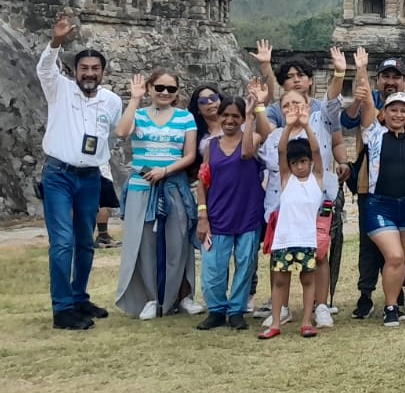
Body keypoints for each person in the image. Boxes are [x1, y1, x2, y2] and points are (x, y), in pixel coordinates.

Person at [37, 12, 125, 330]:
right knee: (62, 241)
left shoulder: (111, 101)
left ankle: (79, 297)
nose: (89, 74)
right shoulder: (59, 89)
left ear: (102, 72)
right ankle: (62, 309)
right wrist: (57, 41)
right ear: (74, 71)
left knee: (85, 242)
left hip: (90, 177)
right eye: (84, 69)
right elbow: (45, 68)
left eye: (94, 69)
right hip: (59, 174)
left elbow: (116, 132)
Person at [252, 41, 350, 321]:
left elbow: (333, 103)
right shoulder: (275, 129)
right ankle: (279, 307)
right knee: (279, 251)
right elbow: (271, 145)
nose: (293, 107)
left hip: (318, 197)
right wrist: (260, 99)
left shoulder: (320, 118)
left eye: (298, 103)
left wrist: (341, 73)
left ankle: (320, 305)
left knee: (319, 249)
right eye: (287, 104)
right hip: (281, 198)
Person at [338, 54, 405, 318]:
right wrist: (360, 71)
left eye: (396, 77)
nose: (391, 82)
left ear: (404, 81)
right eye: (386, 77)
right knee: (371, 249)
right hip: (373, 191)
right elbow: (350, 119)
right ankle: (366, 295)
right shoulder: (372, 116)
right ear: (378, 80)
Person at [114, 68, 201, 319]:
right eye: (159, 87)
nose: (164, 93)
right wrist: (134, 99)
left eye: (170, 89)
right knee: (144, 246)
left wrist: (165, 170)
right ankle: (151, 298)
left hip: (172, 186)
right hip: (142, 188)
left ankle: (181, 296)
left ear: (177, 92)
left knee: (178, 244)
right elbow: (121, 132)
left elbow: (190, 155)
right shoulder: (139, 115)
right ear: (150, 88)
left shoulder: (185, 118)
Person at [195, 88, 266, 331]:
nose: (229, 121)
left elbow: (247, 153)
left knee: (245, 265)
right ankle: (216, 310)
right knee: (213, 268)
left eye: (236, 116)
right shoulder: (210, 146)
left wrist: (251, 116)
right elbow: (202, 182)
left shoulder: (253, 138)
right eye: (225, 115)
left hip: (247, 213)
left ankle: (236, 310)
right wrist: (202, 215)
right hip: (216, 215)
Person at [260, 128, 325, 339]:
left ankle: (306, 321)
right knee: (280, 281)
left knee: (307, 281)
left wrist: (306, 126)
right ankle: (276, 322)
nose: (300, 166)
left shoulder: (316, 180)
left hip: (307, 240)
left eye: (304, 161)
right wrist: (288, 127)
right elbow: (280, 152)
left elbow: (316, 150)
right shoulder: (287, 180)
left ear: (310, 162)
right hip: (284, 241)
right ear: (289, 165)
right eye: (295, 163)